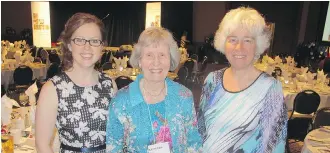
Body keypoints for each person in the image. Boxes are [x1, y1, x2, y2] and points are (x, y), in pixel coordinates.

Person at [197, 7, 287, 153]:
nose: (239, 47)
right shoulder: (212, 80)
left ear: (257, 45)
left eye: (247, 40)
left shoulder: (270, 88)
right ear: (223, 43)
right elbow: (201, 130)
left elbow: (274, 146)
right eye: (233, 40)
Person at [106, 27, 202, 153]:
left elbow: (194, 143)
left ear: (170, 59)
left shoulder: (184, 96)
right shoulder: (121, 101)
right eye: (149, 55)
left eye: (162, 55)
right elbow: (114, 149)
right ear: (140, 61)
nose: (156, 62)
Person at [36, 13, 117, 153]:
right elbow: (42, 145)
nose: (87, 47)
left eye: (94, 41)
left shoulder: (110, 85)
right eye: (80, 40)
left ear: (102, 47)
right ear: (69, 45)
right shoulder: (53, 89)